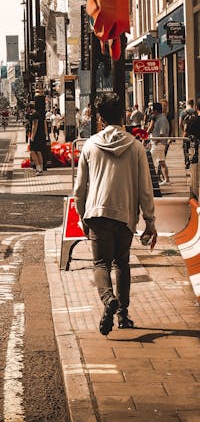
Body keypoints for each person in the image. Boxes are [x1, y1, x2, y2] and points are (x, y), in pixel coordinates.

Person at [74, 93, 157, 335]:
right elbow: (145, 188)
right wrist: (149, 221)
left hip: (97, 214)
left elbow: (80, 188)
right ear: (122, 116)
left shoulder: (89, 145)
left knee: (100, 264)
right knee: (122, 263)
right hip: (125, 216)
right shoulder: (136, 146)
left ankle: (109, 299)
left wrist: (81, 215)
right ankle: (122, 314)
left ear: (99, 118)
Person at [147, 102, 171, 185]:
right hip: (158, 143)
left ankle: (150, 180)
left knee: (148, 161)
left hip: (158, 144)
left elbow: (162, 133)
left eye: (153, 110)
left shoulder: (162, 119)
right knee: (161, 162)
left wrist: (154, 141)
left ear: (156, 111)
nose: (152, 112)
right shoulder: (160, 118)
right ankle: (167, 180)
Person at [28, 100, 48, 175]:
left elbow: (34, 125)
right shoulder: (39, 114)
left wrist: (32, 136)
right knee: (39, 151)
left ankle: (38, 169)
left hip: (36, 136)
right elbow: (45, 123)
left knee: (32, 151)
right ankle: (41, 169)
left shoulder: (34, 115)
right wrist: (46, 134)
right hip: (41, 135)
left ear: (30, 108)